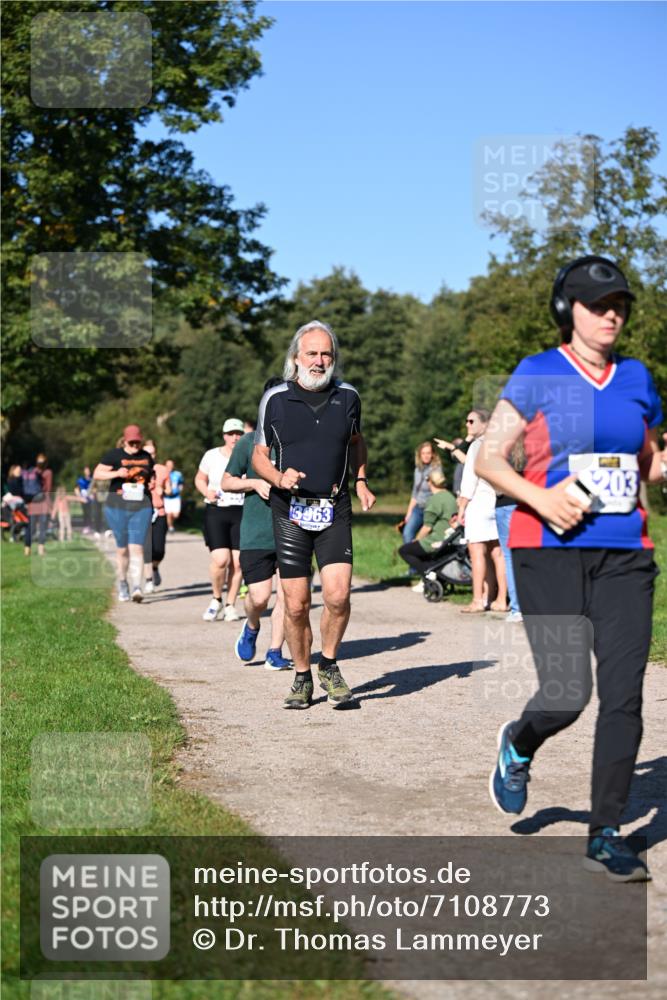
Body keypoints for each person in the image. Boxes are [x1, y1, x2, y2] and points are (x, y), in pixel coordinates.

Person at [477, 255, 666, 882]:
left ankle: (606, 832)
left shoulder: (637, 377)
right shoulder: (537, 374)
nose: (612, 313)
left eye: (620, 304)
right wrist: (541, 497)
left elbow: (647, 462)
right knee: (566, 694)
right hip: (545, 549)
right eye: (597, 303)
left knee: (624, 696)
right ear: (568, 311)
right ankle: (520, 742)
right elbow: (488, 458)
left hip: (625, 555)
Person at [253, 320, 376, 710]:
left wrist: (360, 481)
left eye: (327, 354)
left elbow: (357, 442)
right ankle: (302, 677)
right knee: (296, 603)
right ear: (295, 358)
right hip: (289, 509)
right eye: (312, 353)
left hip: (334, 506)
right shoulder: (275, 399)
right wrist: (277, 476)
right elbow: (259, 454)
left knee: (338, 597)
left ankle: (330, 665)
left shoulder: (349, 397)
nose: (320, 361)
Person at [221, 377, 293, 670]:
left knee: (290, 596)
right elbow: (226, 482)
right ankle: (251, 626)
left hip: (293, 530)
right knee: (260, 598)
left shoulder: (299, 441)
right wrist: (253, 482)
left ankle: (276, 651)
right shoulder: (249, 443)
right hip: (257, 532)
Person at [93, 425, 154, 602]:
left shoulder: (146, 456)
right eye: (132, 442)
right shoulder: (114, 455)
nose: (135, 445)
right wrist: (117, 473)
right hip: (117, 507)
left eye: (138, 442)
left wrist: (151, 484)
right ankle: (122, 583)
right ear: (125, 440)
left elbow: (150, 476)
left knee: (137, 547)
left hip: (141, 507)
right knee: (122, 550)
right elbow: (97, 474)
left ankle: (137, 587)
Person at [195, 419, 245, 622]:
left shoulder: (249, 455)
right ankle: (216, 599)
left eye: (238, 433)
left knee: (238, 563)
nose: (235, 437)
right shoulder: (211, 455)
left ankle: (230, 604)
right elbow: (199, 478)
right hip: (216, 510)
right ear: (224, 435)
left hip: (241, 511)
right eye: (231, 433)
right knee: (220, 559)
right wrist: (206, 491)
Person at [457, 410, 507, 613]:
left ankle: (478, 600)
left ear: (484, 423)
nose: (467, 424)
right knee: (498, 553)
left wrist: (461, 507)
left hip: (478, 503)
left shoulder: (477, 445)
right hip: (498, 502)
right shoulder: (502, 443)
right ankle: (501, 599)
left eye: (471, 421)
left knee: (477, 553)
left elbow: (470, 479)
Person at [398, 469, 459, 588]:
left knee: (405, 550)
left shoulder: (434, 500)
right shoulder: (450, 496)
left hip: (438, 538)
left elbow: (427, 527)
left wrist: (416, 539)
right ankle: (435, 574)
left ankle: (428, 574)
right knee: (418, 549)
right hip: (451, 538)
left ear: (430, 482)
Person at [398, 441, 442, 548]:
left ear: (433, 454)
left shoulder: (437, 469)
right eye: (423, 453)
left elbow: (439, 492)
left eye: (428, 453)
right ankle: (412, 561)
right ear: (419, 455)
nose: (426, 456)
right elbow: (415, 493)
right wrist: (409, 513)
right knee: (407, 533)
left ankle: (424, 562)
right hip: (418, 508)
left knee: (426, 538)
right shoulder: (417, 470)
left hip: (431, 509)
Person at [142, 440, 170, 593]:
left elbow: (170, 490)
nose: (150, 456)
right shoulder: (137, 470)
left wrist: (163, 489)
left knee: (159, 550)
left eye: (152, 453)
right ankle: (148, 581)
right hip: (142, 512)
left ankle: (154, 567)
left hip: (159, 512)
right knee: (147, 548)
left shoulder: (162, 470)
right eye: (147, 453)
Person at [24, 454, 53, 557]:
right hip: (43, 503)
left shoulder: (32, 471)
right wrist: (51, 506)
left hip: (32, 503)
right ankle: (41, 550)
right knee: (42, 527)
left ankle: (27, 550)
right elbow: (48, 490)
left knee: (30, 528)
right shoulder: (48, 472)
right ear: (46, 463)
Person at [164, 460, 184, 532]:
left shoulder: (178, 474)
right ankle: (170, 527)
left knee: (176, 515)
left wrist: (180, 490)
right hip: (167, 498)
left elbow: (181, 484)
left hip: (176, 497)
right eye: (168, 465)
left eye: (171, 465)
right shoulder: (163, 474)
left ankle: (170, 523)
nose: (169, 467)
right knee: (169, 514)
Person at [75, 466, 93, 533]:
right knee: (85, 513)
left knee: (90, 513)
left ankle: (90, 526)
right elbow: (76, 489)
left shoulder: (92, 479)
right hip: (83, 499)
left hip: (91, 499)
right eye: (86, 470)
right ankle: (86, 527)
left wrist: (93, 495)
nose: (87, 472)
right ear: (84, 471)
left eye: (88, 470)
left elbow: (95, 488)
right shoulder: (81, 480)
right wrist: (80, 497)